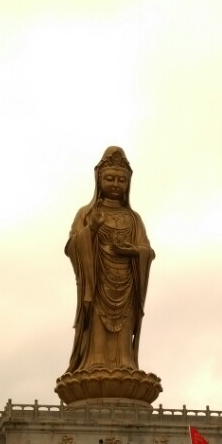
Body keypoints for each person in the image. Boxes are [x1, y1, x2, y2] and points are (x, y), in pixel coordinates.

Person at [62, 146, 155, 375]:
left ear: (128, 184)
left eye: (121, 180)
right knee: (97, 323)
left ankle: (125, 363)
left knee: (124, 327)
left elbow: (147, 251)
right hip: (97, 280)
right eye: (110, 178)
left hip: (126, 282)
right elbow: (71, 245)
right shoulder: (86, 212)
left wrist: (133, 251)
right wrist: (91, 230)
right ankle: (95, 362)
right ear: (99, 180)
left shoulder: (133, 219)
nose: (115, 184)